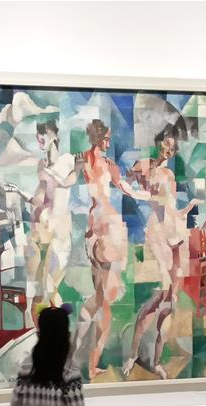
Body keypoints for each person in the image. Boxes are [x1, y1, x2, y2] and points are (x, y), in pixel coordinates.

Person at [75, 119, 150, 378]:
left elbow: (127, 189)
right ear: (97, 137)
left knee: (99, 298)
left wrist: (146, 195)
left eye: (108, 138)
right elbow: (127, 190)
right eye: (105, 138)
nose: (108, 142)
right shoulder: (93, 162)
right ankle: (90, 363)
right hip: (104, 231)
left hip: (96, 231)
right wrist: (151, 195)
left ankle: (81, 356)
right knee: (105, 302)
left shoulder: (96, 162)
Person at [123, 128, 200, 379]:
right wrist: (136, 190)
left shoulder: (169, 174)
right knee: (159, 296)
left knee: (170, 302)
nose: (168, 150)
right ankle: (133, 353)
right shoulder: (144, 166)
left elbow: (171, 207)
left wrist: (189, 208)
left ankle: (155, 361)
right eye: (165, 145)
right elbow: (131, 186)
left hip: (177, 233)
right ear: (158, 144)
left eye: (172, 147)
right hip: (158, 235)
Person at [5, 119, 78, 326]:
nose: (39, 143)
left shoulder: (67, 160)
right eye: (37, 139)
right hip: (42, 231)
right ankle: (45, 334)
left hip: (60, 233)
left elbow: (68, 181)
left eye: (42, 138)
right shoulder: (41, 166)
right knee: (38, 295)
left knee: (49, 289)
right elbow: (39, 199)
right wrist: (19, 191)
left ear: (53, 135)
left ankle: (57, 332)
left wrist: (50, 173)